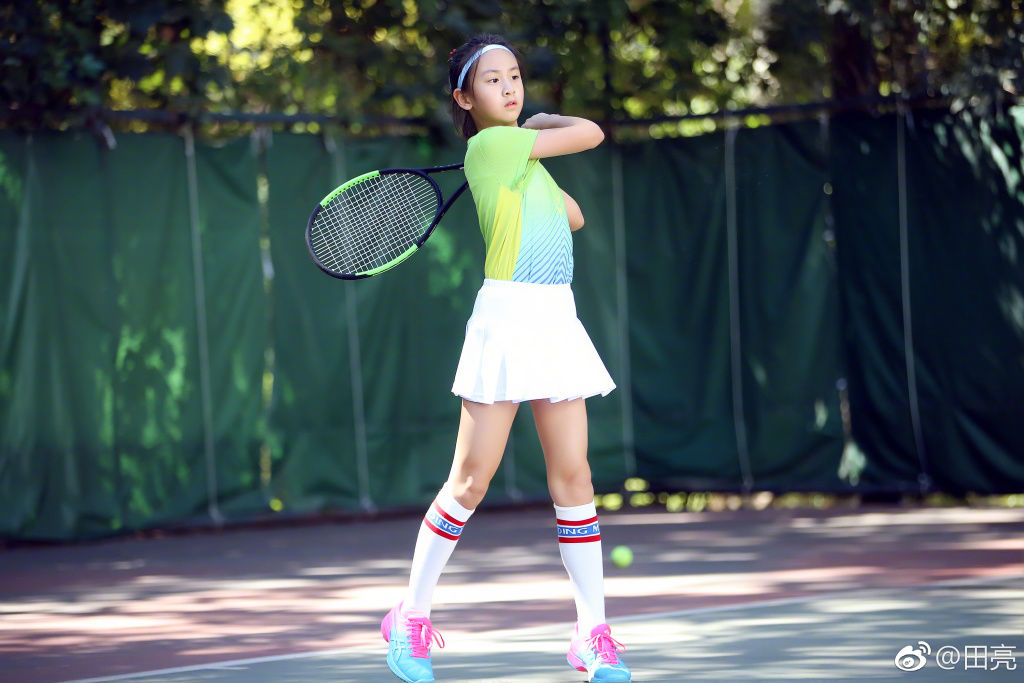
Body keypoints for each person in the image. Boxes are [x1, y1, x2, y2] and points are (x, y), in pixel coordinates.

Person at [381, 34, 631, 683]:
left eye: (515, 75)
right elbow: (593, 134)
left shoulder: (520, 159)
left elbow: (571, 216)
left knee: (573, 477)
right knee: (469, 480)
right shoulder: (490, 146)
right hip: (508, 318)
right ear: (464, 97)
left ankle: (592, 633)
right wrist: (545, 126)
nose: (510, 87)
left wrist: (533, 156)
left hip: (556, 319)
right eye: (492, 80)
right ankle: (409, 615)